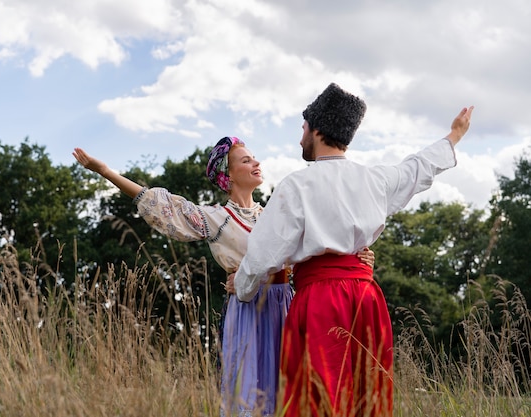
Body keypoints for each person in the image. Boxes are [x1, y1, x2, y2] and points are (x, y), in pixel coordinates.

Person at [73, 138, 375, 416]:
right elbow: (162, 206)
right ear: (228, 176)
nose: (256, 163)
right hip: (246, 309)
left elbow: (318, 243)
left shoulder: (276, 214)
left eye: (254, 158)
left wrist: (359, 255)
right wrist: (104, 171)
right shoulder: (217, 218)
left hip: (286, 307)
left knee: (290, 391)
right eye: (246, 160)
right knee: (247, 392)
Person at [233, 83, 474, 417]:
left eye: (303, 127)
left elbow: (263, 254)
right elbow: (417, 168)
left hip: (318, 300)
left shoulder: (297, 185)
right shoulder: (375, 180)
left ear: (316, 130)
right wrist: (453, 137)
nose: (300, 135)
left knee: (315, 399)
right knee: (364, 399)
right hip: (366, 299)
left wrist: (242, 289)